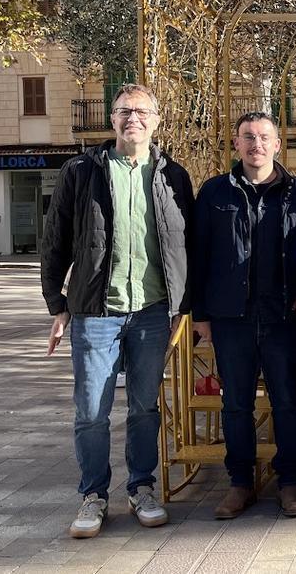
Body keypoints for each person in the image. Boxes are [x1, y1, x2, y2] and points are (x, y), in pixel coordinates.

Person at [41, 84, 193, 538]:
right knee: (92, 410)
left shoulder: (172, 176)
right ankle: (93, 495)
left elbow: (187, 243)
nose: (134, 119)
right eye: (125, 111)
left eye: (142, 112)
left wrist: (186, 305)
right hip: (95, 312)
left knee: (145, 408)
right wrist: (57, 303)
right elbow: (56, 239)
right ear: (113, 119)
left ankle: (141, 487)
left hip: (152, 311)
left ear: (157, 120)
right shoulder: (81, 171)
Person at [190, 112, 296, 520]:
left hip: (283, 314)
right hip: (231, 317)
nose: (256, 144)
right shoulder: (213, 192)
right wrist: (200, 314)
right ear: (236, 143)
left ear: (278, 144)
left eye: (264, 137)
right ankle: (240, 482)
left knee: (286, 401)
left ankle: (289, 482)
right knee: (236, 405)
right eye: (248, 137)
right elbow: (198, 255)